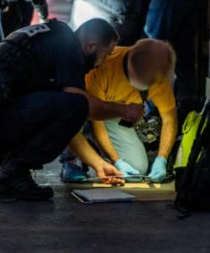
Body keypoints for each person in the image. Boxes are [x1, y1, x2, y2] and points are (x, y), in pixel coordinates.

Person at [0, 19, 144, 201]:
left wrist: (97, 163)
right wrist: (123, 110)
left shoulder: (50, 36)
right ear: (91, 46)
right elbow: (84, 107)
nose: (103, 62)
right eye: (106, 54)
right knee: (75, 105)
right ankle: (15, 171)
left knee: (45, 101)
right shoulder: (68, 47)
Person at [60, 39, 178, 183]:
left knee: (138, 170)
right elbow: (96, 118)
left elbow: (169, 119)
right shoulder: (102, 65)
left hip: (115, 116)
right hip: (88, 110)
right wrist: (117, 161)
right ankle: (71, 160)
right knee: (75, 108)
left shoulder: (158, 75)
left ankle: (94, 150)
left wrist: (162, 159)